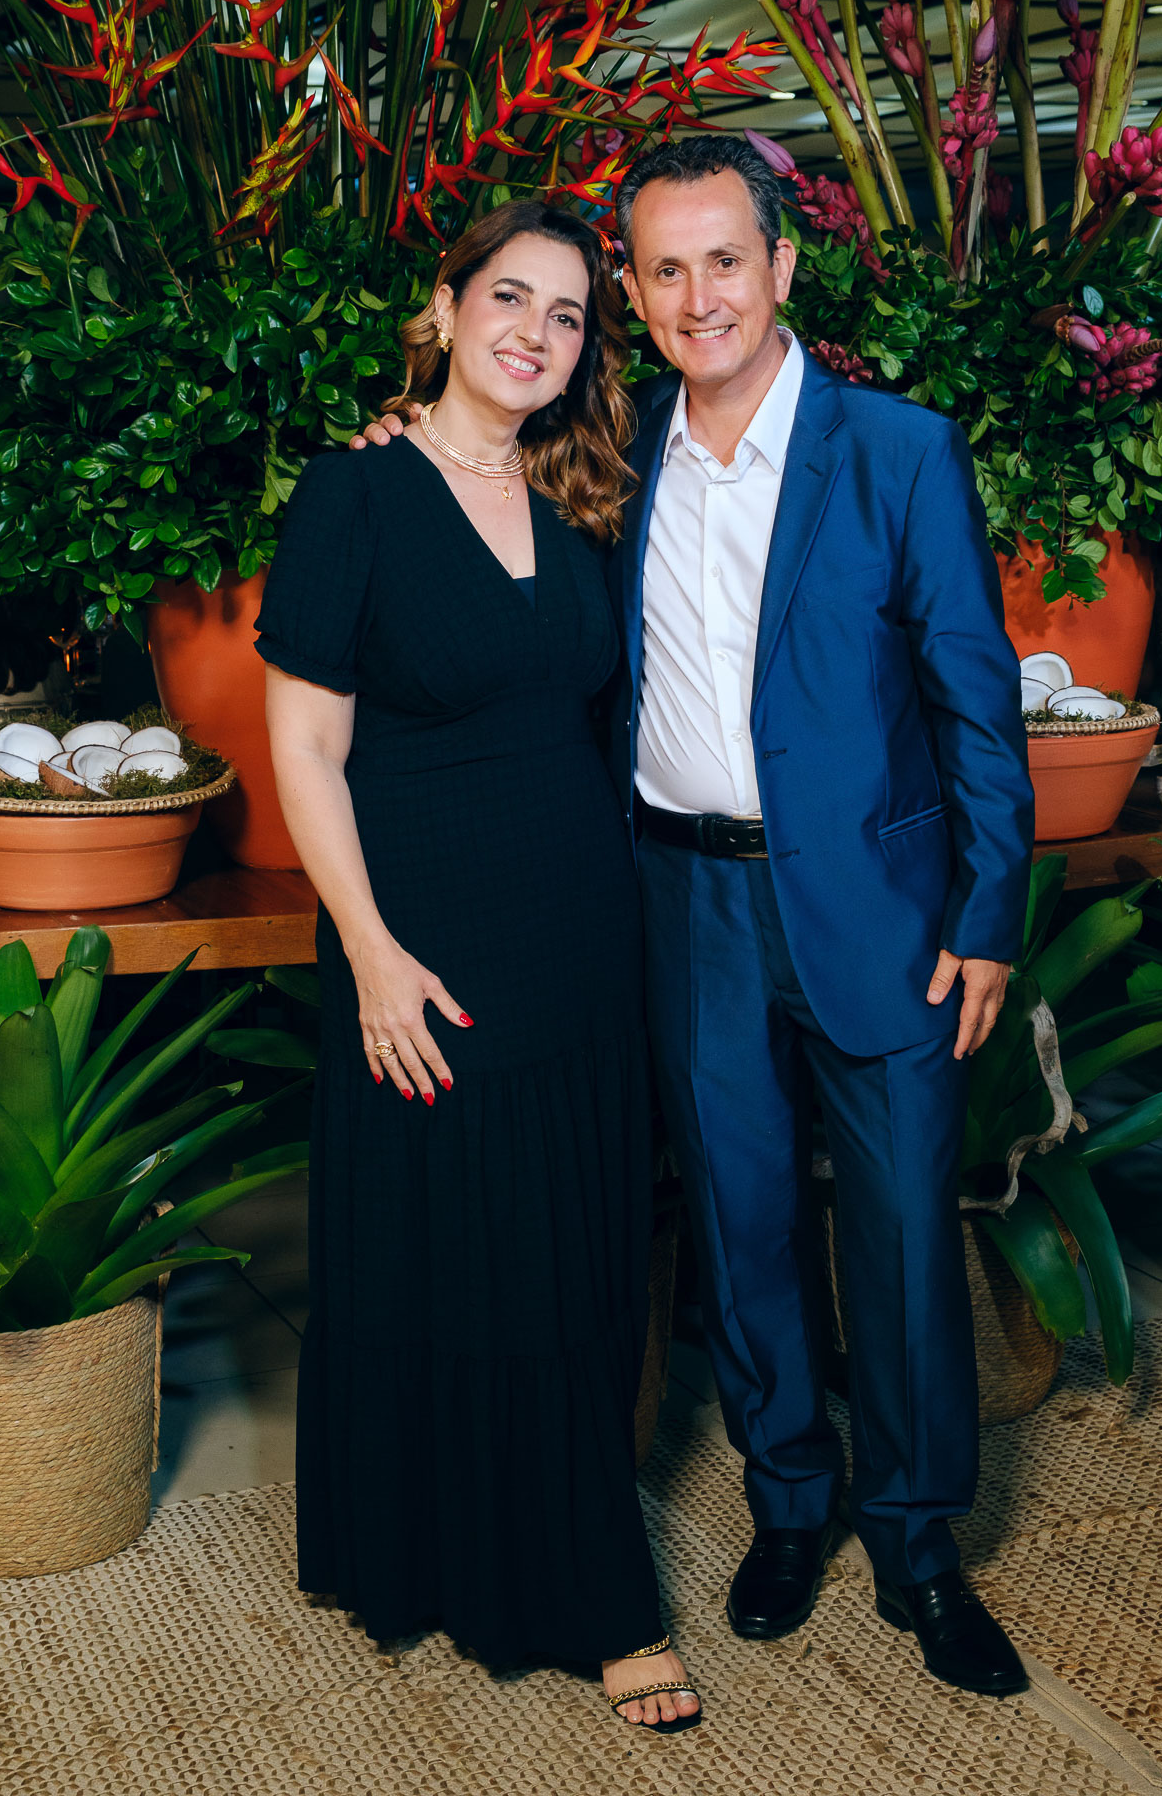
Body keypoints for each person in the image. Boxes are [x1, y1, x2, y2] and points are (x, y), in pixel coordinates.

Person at [358, 136, 1035, 1699]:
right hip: (678, 897)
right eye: (663, 271)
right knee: (739, 1226)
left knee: (902, 1235)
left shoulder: (899, 452)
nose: (696, 296)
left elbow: (977, 701)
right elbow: (469, 483)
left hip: (879, 905)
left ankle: (918, 1542)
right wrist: (404, 428)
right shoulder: (605, 453)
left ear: (781, 267)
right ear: (637, 297)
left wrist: (989, 911)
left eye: (724, 260)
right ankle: (789, 1504)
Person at [257, 201, 701, 1732]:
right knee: (447, 1249)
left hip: (581, 934)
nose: (537, 332)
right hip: (423, 938)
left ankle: (569, 1550)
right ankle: (557, 1590)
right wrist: (372, 955)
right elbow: (305, 750)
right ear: (447, 311)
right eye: (510, 297)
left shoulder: (585, 493)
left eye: (569, 315)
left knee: (580, 1257)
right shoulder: (354, 492)